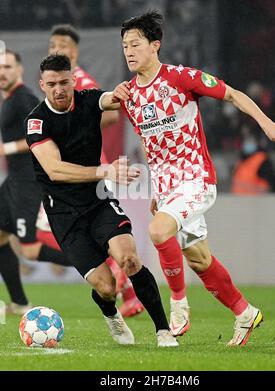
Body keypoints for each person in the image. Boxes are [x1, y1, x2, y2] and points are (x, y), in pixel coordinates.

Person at [111, 11, 275, 345]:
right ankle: (245, 312)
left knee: (157, 231)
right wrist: (157, 187)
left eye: (135, 44)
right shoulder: (129, 97)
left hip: (196, 179)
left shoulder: (180, 78)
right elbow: (149, 141)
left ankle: (179, 304)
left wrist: (267, 124)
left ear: (155, 46)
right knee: (199, 260)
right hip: (168, 187)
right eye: (125, 45)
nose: (129, 51)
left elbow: (233, 94)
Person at [25, 53, 178, 347]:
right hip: (64, 214)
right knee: (107, 286)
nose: (59, 89)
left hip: (98, 200)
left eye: (65, 82)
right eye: (52, 83)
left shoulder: (88, 100)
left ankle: (163, 330)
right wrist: (104, 170)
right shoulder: (36, 121)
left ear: (73, 81)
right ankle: (111, 314)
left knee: (130, 258)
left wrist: (125, 91)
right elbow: (55, 170)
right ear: (42, 84)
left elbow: (110, 99)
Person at [36, 23, 144, 317]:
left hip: (87, 170)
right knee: (49, 237)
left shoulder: (78, 80)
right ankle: (127, 291)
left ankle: (126, 290)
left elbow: (109, 113)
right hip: (74, 172)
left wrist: (77, 131)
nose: (56, 50)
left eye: (62, 46)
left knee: (59, 235)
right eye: (52, 46)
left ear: (75, 51)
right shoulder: (59, 80)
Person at [0, 49, 72, 315]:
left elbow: (41, 132)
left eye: (8, 66)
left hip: (28, 182)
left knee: (29, 251)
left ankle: (97, 261)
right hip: (14, 181)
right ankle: (19, 303)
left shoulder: (24, 98)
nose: (2, 72)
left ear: (19, 69)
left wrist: (5, 149)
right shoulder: (9, 100)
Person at [231, 130, 275, 194]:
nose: (248, 143)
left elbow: (271, 179)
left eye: (250, 141)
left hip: (256, 200)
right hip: (238, 200)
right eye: (246, 141)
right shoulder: (241, 160)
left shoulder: (262, 160)